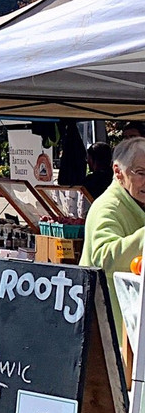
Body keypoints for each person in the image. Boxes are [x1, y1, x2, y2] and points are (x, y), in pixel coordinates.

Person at [81, 137, 145, 347]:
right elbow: (104, 257)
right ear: (118, 172)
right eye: (142, 173)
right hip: (112, 328)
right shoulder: (107, 207)